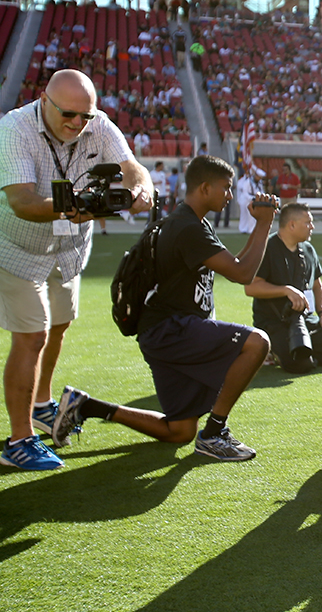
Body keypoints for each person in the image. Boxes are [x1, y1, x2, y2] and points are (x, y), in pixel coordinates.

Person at [52, 155, 278, 462]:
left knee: (180, 431)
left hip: (160, 332)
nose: (229, 195)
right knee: (257, 343)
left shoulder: (188, 222)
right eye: (225, 188)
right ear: (204, 187)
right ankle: (214, 432)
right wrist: (264, 223)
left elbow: (236, 265)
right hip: (171, 329)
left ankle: (87, 406)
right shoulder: (187, 228)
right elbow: (243, 274)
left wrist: (260, 224)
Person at [0, 69, 154, 470]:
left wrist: (139, 190)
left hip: (68, 251)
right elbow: (21, 201)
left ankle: (42, 404)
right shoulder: (14, 128)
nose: (77, 123)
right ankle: (19, 441)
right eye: (68, 114)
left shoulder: (96, 122)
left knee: (59, 326)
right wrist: (73, 207)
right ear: (43, 100)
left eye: (85, 116)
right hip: (18, 248)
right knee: (32, 336)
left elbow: (132, 166)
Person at [244, 202, 322, 375]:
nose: (312, 226)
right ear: (292, 225)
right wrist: (286, 290)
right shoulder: (268, 248)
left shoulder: (309, 250)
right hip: (275, 322)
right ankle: (273, 349)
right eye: (308, 222)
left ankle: (300, 353)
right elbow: (250, 288)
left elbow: (317, 286)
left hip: (306, 321)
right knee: (301, 366)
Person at [236, 168, 261, 234]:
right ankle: (243, 228)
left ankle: (251, 229)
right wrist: (252, 197)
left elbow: (259, 191)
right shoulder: (246, 182)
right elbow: (245, 192)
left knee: (251, 216)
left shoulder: (257, 183)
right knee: (244, 215)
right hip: (245, 200)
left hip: (253, 200)